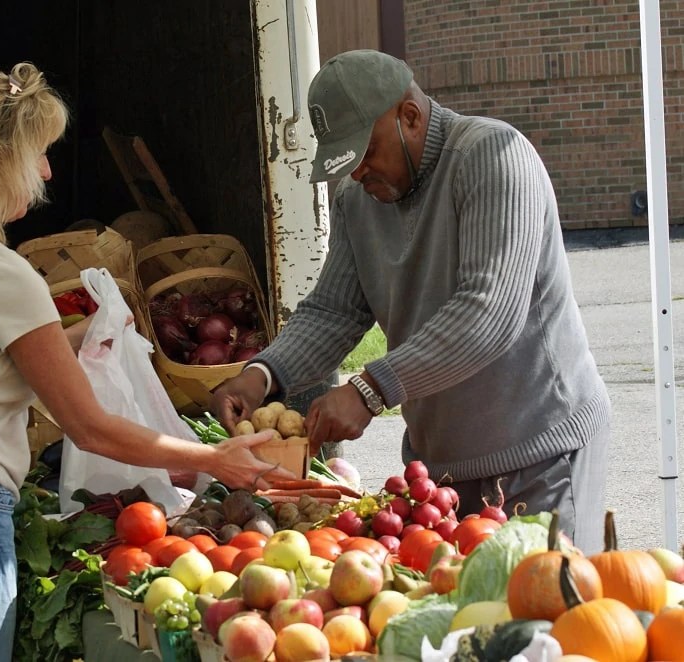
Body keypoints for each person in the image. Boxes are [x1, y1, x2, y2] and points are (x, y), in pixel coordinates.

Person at [0, 62, 292, 662]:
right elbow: (91, 428)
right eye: (38, 154)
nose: (46, 172)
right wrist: (212, 457)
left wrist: (92, 329)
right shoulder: (0, 272)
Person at [211, 50, 611, 554]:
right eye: (346, 160)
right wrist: (262, 376)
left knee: (545, 623)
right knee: (461, 625)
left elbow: (489, 312)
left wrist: (368, 389)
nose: (357, 173)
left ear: (411, 116)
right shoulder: (358, 200)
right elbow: (333, 310)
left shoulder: (495, 156)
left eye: (366, 153)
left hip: (541, 454)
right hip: (439, 469)